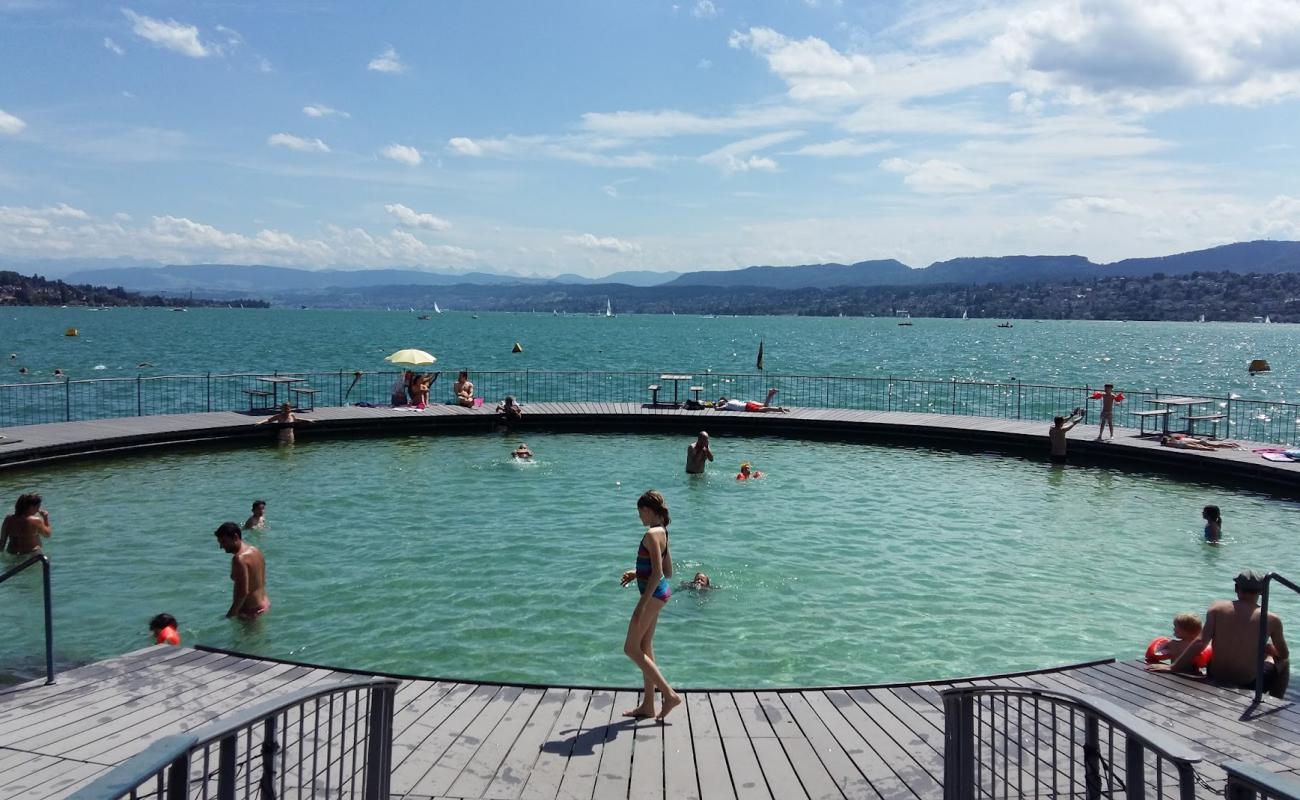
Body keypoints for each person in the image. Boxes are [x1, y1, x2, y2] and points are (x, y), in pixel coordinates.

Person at [1157, 570, 1290, 698]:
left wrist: (1173, 667)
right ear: (1262, 591)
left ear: (1236, 588)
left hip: (1215, 675)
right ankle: (1274, 702)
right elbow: (1283, 655)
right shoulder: (1272, 619)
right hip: (1248, 683)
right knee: (1283, 661)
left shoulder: (1216, 608)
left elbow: (1200, 642)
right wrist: (1271, 650)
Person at [617, 490, 682, 721]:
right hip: (660, 593)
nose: (639, 517)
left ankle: (669, 694)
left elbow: (658, 573)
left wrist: (641, 605)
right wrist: (637, 573)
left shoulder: (652, 534)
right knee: (644, 647)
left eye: (639, 512)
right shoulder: (662, 532)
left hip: (653, 596)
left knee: (630, 649)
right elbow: (668, 571)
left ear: (647, 510)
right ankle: (647, 705)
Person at [214, 521, 270, 620]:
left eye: (224, 542)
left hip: (250, 612)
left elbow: (242, 592)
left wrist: (230, 616)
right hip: (264, 603)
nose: (221, 546)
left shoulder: (239, 559)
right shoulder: (255, 550)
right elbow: (263, 580)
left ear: (235, 537)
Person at [1145, 613, 1209, 669]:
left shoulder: (1172, 644)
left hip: (1175, 671)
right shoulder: (1198, 647)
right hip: (1193, 673)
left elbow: (1156, 653)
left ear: (1185, 630)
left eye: (1176, 626)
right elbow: (1203, 664)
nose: (1174, 628)